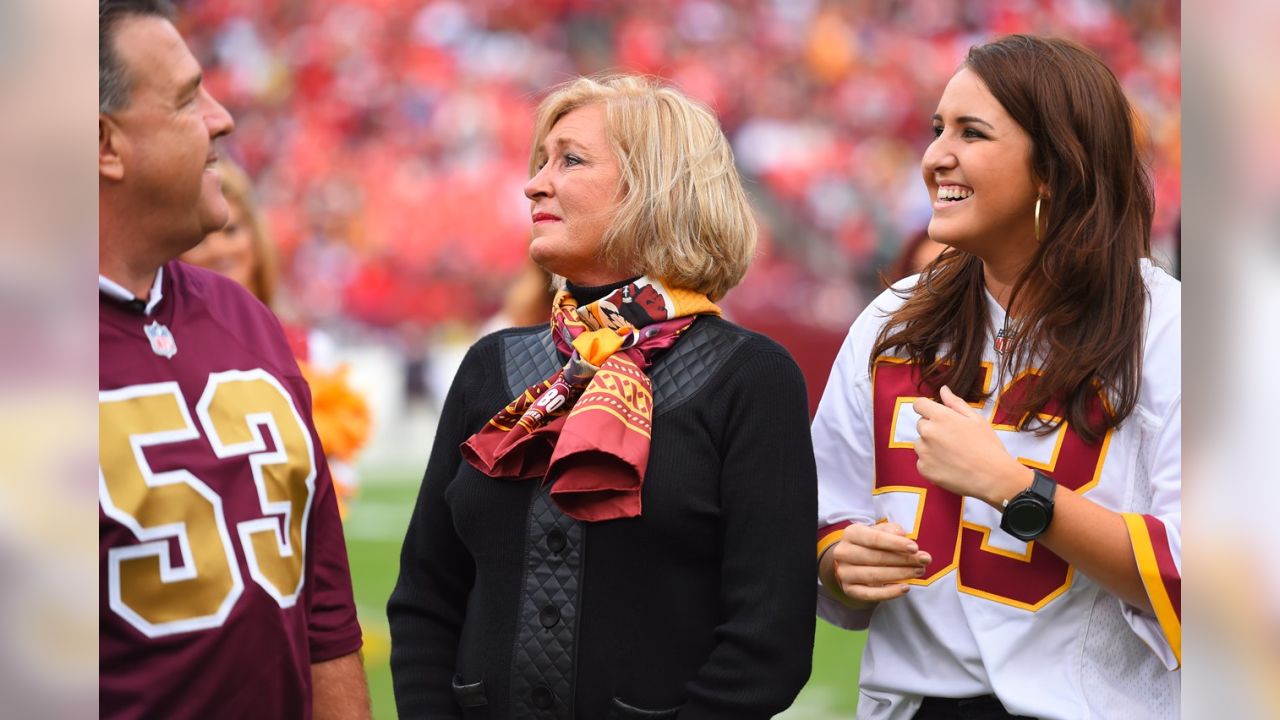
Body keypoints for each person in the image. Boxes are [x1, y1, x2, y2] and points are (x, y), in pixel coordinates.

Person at [388, 74, 816, 718]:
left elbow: (768, 642)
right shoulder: (492, 363)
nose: (535, 183)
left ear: (658, 186)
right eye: (540, 162)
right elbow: (426, 594)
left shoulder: (751, 377)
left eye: (571, 160)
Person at [813, 35, 1180, 719]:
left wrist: (1018, 490)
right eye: (935, 130)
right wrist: (840, 557)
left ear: (1055, 168)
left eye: (971, 133)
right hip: (915, 704)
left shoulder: (1170, 330)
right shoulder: (891, 319)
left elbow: (1215, 582)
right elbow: (823, 510)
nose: (934, 157)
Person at [97, 1, 369, 717]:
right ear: (103, 143)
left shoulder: (245, 316)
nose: (222, 118)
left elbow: (326, 614)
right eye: (188, 98)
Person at [180, 159, 371, 515]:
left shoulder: (307, 347)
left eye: (232, 230)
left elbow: (340, 478)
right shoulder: (164, 345)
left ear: (255, 238)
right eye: (203, 236)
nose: (220, 249)